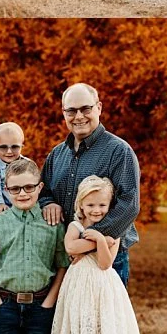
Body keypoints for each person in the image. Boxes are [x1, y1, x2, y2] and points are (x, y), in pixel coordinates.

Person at [38, 85, 142, 286]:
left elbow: (129, 205)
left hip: (106, 259)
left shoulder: (119, 151)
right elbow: (44, 192)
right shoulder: (57, 154)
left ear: (99, 108)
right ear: (64, 113)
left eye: (86, 109)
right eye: (71, 111)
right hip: (65, 261)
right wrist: (49, 203)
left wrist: (86, 243)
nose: (79, 116)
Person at [0, 158, 66, 334]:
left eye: (29, 187)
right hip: (5, 307)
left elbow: (62, 266)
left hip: (41, 307)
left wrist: (48, 303)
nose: (22, 193)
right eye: (15, 189)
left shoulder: (54, 225)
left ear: (40, 187)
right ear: (6, 190)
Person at [50, 177, 142, 334]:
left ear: (110, 205)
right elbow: (71, 247)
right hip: (78, 282)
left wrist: (100, 239)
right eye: (90, 205)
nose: (96, 210)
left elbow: (105, 264)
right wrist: (104, 242)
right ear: (81, 205)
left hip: (103, 284)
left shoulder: (114, 230)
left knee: (102, 323)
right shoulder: (75, 226)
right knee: (80, 320)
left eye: (102, 205)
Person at [0, 122, 30, 212]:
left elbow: (35, 185)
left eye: (14, 147)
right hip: (8, 207)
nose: (9, 151)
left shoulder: (28, 163)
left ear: (22, 146)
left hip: (28, 204)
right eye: (3, 147)